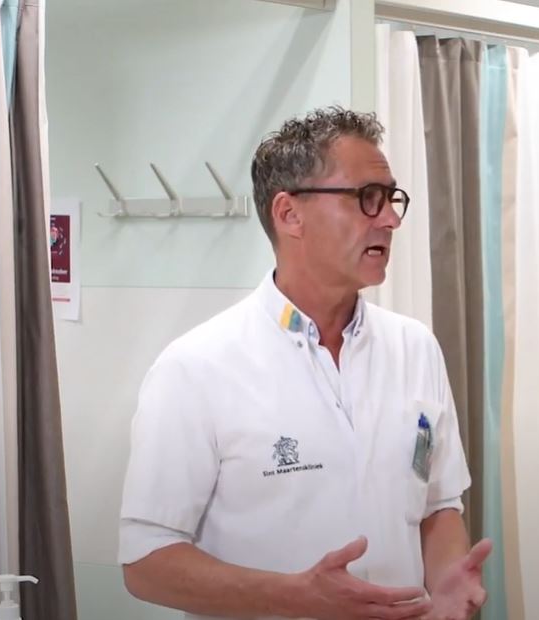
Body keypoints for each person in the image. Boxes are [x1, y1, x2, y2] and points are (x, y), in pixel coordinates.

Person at [118, 106, 490, 620]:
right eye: (368, 198)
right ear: (289, 214)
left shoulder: (415, 347)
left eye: (391, 199)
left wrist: (446, 578)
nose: (391, 219)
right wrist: (295, 596)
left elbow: (438, 505)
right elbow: (146, 561)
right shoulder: (195, 367)